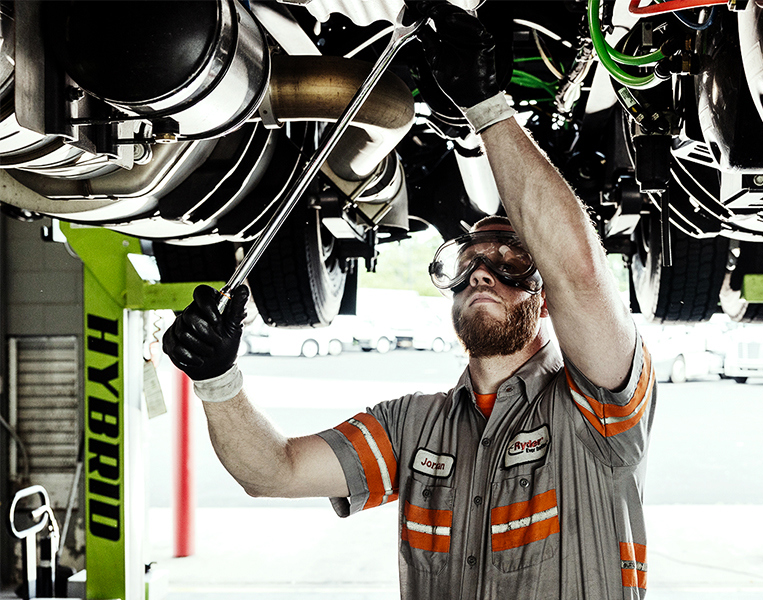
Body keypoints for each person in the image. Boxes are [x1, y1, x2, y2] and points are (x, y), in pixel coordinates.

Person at [163, 3, 656, 599]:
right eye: (469, 262)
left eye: (510, 264)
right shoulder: (412, 428)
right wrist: (218, 380)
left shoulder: (597, 406)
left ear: (544, 299)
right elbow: (275, 472)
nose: (482, 274)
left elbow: (578, 271)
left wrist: (488, 108)